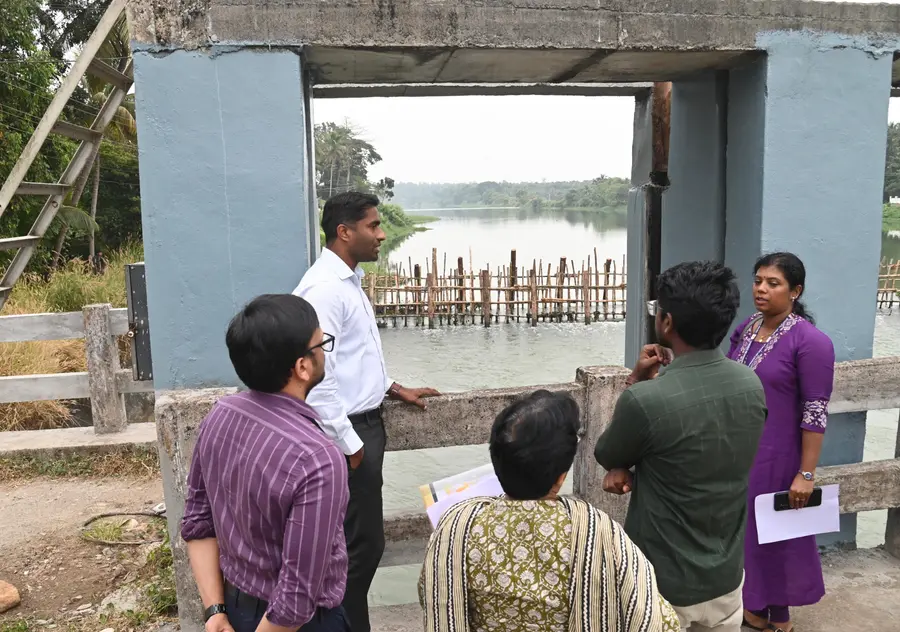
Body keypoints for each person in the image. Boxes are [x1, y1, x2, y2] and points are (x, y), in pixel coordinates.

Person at [294, 191, 440, 632]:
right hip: (348, 435)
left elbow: (353, 356)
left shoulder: (346, 282)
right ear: (345, 232)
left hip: (362, 427)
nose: (382, 234)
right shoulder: (324, 290)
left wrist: (392, 387)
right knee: (358, 550)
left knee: (357, 548)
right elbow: (315, 376)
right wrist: (351, 445)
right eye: (373, 226)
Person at [594, 261, 768, 632]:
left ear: (667, 323)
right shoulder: (751, 384)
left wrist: (637, 381)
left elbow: (608, 454)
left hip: (662, 583)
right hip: (725, 577)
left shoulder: (646, 401)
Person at [419, 389, 681, 632]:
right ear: (561, 477)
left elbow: (430, 592)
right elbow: (658, 621)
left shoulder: (456, 525)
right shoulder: (599, 532)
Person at [181, 294, 350, 632]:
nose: (323, 352)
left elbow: (197, 521)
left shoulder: (220, 414)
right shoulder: (317, 458)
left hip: (234, 607)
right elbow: (295, 598)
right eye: (322, 344)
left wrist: (215, 611)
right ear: (302, 366)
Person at [728, 253, 835, 632]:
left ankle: (780, 617)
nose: (761, 288)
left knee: (777, 533)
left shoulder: (811, 342)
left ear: (795, 291)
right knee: (748, 533)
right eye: (758, 280)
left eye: (773, 283)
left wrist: (806, 472)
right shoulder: (746, 329)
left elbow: (815, 412)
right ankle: (755, 608)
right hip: (743, 451)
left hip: (780, 455)